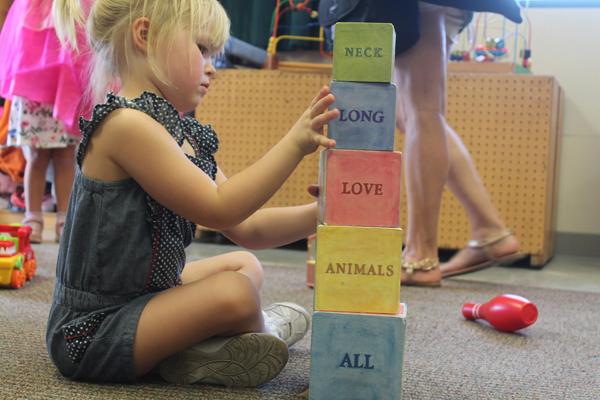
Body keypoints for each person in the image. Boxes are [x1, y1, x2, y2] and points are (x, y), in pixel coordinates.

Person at [47, 0, 338, 387]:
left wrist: (323, 211)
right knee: (236, 293)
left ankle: (198, 350)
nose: (211, 67)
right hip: (92, 332)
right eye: (201, 49)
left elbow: (246, 226)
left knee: (245, 265)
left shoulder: (176, 132)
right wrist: (295, 142)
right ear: (145, 36)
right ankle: (261, 331)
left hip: (145, 297)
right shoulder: (126, 125)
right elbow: (221, 209)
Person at [319, 0, 524, 286]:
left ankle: (421, 254)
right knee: (411, 115)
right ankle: (489, 229)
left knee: (422, 112)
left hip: (423, 6)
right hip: (434, 8)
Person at [0, 0, 91, 243]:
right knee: (35, 158)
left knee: (65, 158)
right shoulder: (30, 4)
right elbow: (20, 43)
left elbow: (84, 43)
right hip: (34, 92)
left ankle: (64, 220)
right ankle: (33, 218)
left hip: (66, 87)